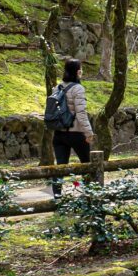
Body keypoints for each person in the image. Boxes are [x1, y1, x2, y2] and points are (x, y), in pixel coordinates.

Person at [51, 59, 94, 198]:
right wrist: (88, 133)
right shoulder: (78, 88)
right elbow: (81, 113)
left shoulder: (56, 88)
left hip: (59, 134)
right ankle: (90, 195)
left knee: (60, 168)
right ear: (78, 71)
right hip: (76, 134)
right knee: (87, 165)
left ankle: (57, 198)